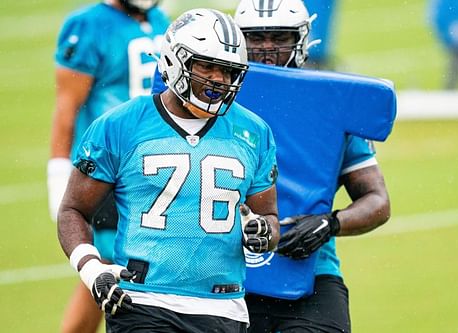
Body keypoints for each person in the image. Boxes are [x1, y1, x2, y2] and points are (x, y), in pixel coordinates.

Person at [57, 8, 280, 333]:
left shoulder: (254, 132)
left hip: (223, 306)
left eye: (228, 71)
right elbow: (74, 209)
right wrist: (91, 268)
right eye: (208, 66)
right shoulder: (120, 125)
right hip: (142, 301)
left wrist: (263, 233)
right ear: (176, 61)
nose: (218, 80)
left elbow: (270, 221)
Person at [234, 0, 391, 332]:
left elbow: (377, 201)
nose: (266, 49)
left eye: (279, 38)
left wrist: (330, 224)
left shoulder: (327, 104)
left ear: (301, 40)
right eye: (256, 38)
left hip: (310, 272)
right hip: (224, 271)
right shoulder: (215, 101)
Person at [48, 1, 169, 332]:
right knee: (110, 268)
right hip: (110, 167)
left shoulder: (159, 19)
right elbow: (66, 107)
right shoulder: (88, 24)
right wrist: (58, 174)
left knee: (112, 271)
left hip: (156, 166)